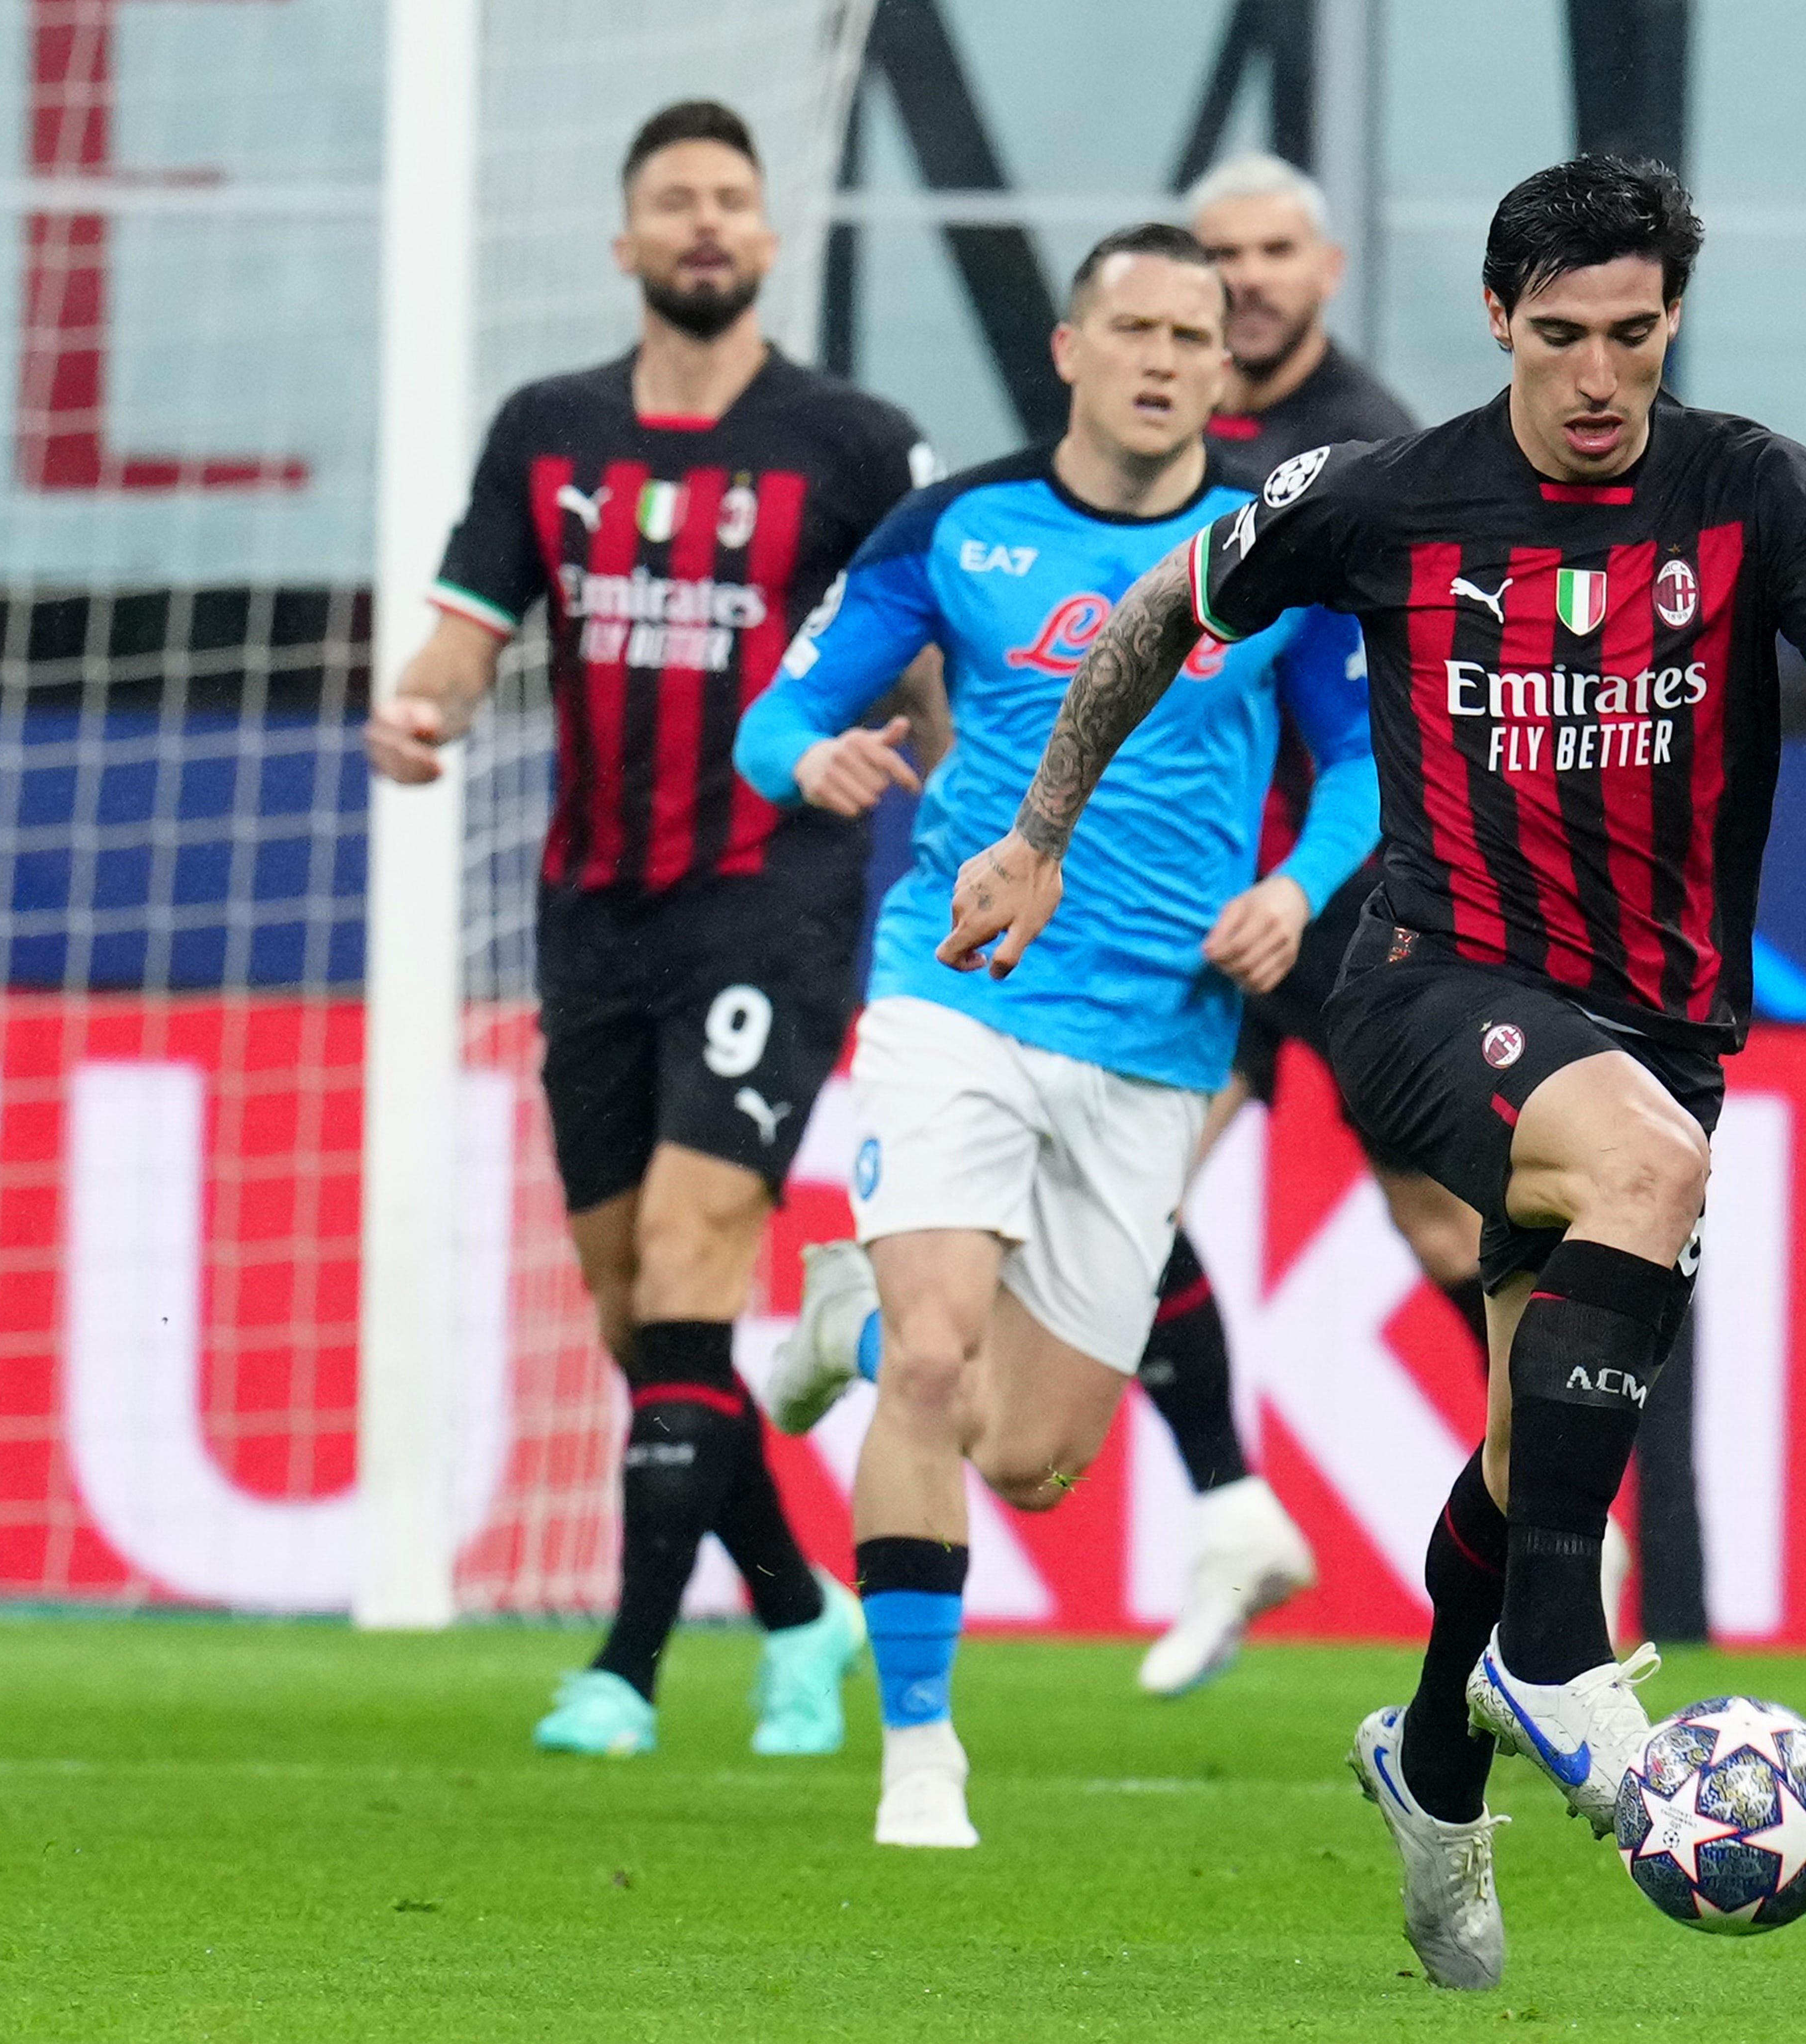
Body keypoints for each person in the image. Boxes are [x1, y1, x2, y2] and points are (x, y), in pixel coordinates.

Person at [935, 156, 1806, 1989]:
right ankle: (1553, 1656)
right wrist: (1039, 835)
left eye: (1637, 336)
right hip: (1433, 981)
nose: (1602, 377)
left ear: (1669, 324)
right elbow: (1147, 624)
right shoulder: (1378, 495)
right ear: (1502, 319)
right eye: (1567, 336)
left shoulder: (1753, 487)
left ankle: (1436, 1765)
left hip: (1663, 1020)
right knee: (1644, 1180)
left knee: (1532, 1446)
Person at [733, 222, 1374, 1850]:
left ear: (1225, 375)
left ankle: (835, 1329)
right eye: (1135, 327)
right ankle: (921, 1759)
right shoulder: (961, 529)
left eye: (1195, 336)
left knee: (1028, 1457)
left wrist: (1301, 886)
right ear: (1070, 352)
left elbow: (1369, 766)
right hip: (960, 985)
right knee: (940, 1356)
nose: (1164, 358)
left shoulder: (1272, 552)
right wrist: (808, 766)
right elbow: (779, 713)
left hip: (1159, 1034)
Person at [365, 99, 933, 1760]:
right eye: (673, 201)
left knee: (693, 1260)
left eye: (731, 202)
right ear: (626, 244)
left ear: (768, 242)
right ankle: (794, 1609)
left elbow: (933, 667)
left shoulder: (851, 442)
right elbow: (464, 640)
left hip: (775, 895)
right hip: (594, 910)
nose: (704, 224)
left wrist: (1002, 849)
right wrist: (416, 716)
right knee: (637, 1314)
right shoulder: (545, 430)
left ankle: (622, 1667)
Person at [1106, 151, 1456, 1701]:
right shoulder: (1160, 429)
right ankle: (1231, 1509)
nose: (1240, 279)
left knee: (1446, 1227)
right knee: (1111, 1203)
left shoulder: (1370, 448)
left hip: (1354, 897)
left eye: (1268, 252)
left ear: (1324, 269)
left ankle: (1557, 1528)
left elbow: (1399, 704)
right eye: (1215, 252)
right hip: (1188, 908)